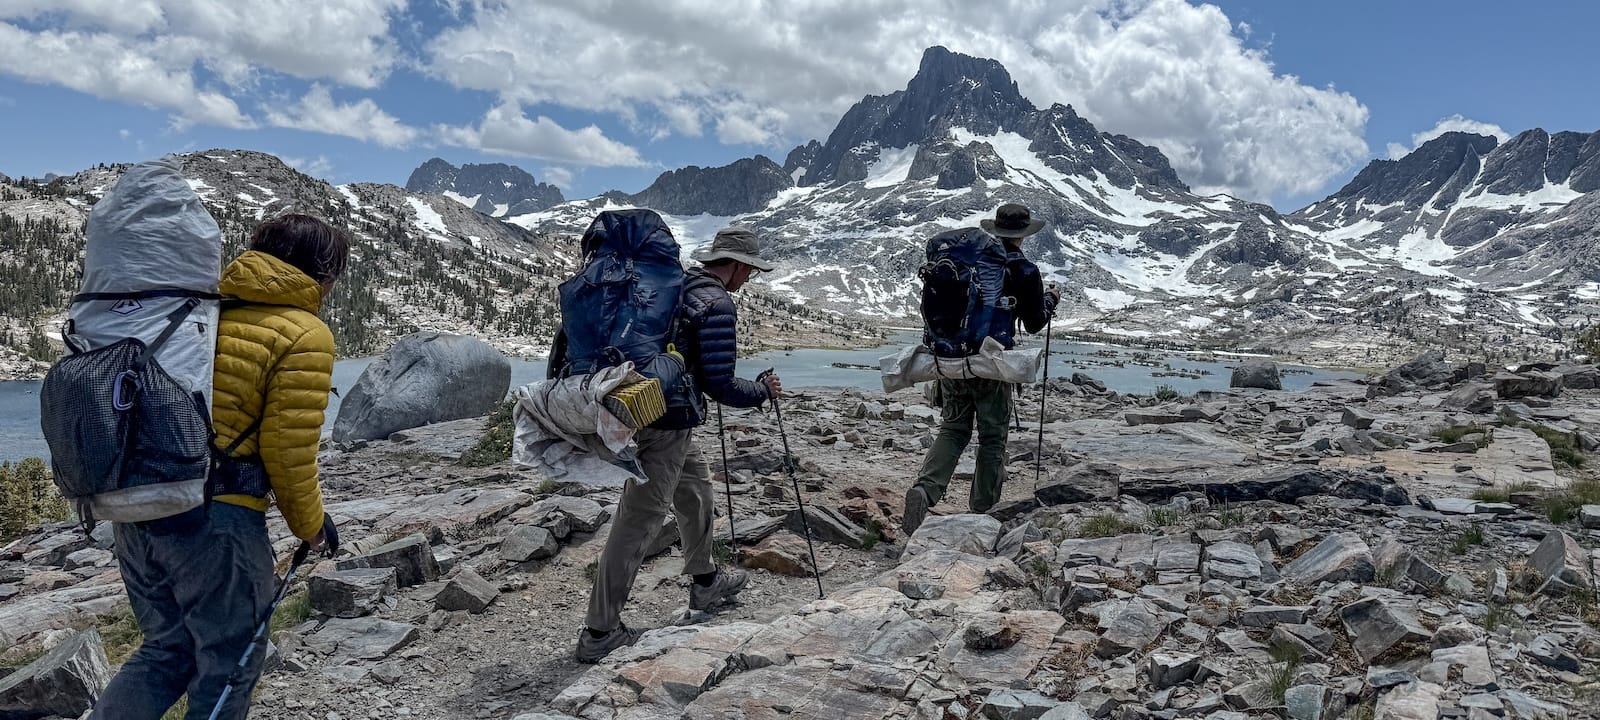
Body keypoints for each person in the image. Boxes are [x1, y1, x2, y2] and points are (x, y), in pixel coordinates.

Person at [95, 214, 347, 719]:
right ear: (322, 273)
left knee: (166, 650)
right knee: (230, 664)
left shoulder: (194, 312)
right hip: (218, 524)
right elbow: (288, 453)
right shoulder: (304, 334)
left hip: (139, 512)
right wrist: (311, 527)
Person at [575, 227, 783, 663]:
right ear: (740, 266)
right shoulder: (717, 302)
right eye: (750, 271)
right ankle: (600, 631)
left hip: (661, 413)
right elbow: (720, 383)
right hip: (663, 422)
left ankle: (705, 582)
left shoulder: (679, 285)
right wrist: (763, 391)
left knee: (696, 491)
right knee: (640, 518)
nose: (749, 279)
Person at [902, 204, 1060, 535]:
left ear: (996, 229)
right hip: (990, 363)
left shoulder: (964, 262)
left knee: (953, 428)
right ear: (1024, 235)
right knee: (992, 437)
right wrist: (1049, 301)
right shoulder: (1023, 270)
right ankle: (982, 512)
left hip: (949, 361)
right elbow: (1033, 324)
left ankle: (925, 490)